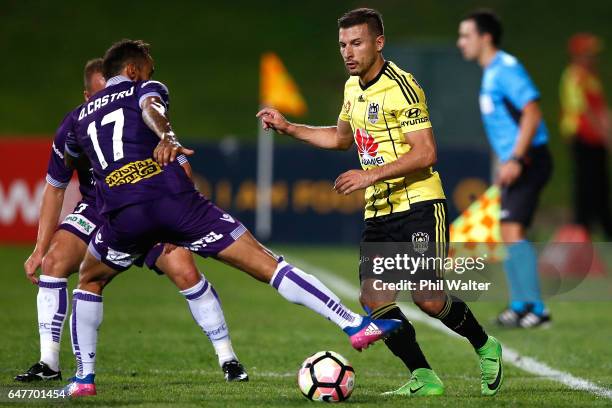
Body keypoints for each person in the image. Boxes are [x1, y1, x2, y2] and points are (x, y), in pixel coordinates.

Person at [60, 40, 400, 397]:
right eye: (148, 68)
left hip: (122, 213)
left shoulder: (78, 117)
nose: (151, 74)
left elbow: (70, 161)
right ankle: (351, 324)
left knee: (89, 281)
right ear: (132, 71)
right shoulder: (145, 89)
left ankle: (84, 378)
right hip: (174, 202)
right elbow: (150, 108)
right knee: (269, 265)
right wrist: (168, 135)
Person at [258, 8, 502, 397]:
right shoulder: (351, 88)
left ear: (378, 43)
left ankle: (485, 345)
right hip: (380, 211)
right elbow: (340, 138)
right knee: (374, 301)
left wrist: (369, 175)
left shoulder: (403, 86)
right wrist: (289, 127)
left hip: (420, 203)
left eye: (356, 43)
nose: (348, 53)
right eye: (342, 45)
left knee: (428, 298)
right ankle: (424, 377)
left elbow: (425, 152)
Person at [15, 58, 248, 386]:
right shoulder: (73, 126)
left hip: (148, 202)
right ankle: (49, 362)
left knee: (185, 271)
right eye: (96, 95)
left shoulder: (138, 112)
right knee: (54, 261)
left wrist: (178, 216)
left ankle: (229, 359)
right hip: (98, 207)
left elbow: (180, 163)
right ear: (86, 96)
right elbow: (54, 189)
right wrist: (38, 249)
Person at [457, 9, 553, 328]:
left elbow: (532, 113)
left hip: (529, 160)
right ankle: (520, 305)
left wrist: (515, 159)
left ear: (486, 37)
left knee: (512, 231)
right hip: (516, 162)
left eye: (466, 35)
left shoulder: (506, 69)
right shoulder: (491, 72)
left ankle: (536, 309)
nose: (460, 43)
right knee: (507, 232)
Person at [560, 33, 612, 238]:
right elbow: (586, 112)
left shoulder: (591, 78)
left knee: (600, 185)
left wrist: (606, 133)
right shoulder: (574, 76)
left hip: (595, 139)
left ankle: (603, 226)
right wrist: (606, 135)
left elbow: (601, 109)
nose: (593, 59)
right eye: (589, 54)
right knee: (585, 185)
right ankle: (581, 230)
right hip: (583, 138)